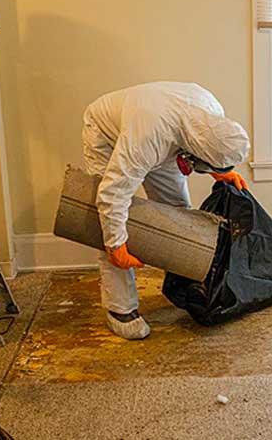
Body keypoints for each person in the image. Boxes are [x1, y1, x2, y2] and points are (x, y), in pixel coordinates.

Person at [82, 82, 250, 339]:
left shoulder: (211, 111)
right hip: (106, 132)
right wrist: (116, 246)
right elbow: (112, 195)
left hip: (165, 133)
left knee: (178, 212)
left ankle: (184, 286)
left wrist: (221, 171)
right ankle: (120, 309)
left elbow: (209, 139)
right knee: (112, 221)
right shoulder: (147, 138)